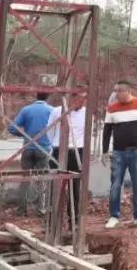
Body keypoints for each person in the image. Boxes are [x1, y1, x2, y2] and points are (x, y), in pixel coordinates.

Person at [102, 80, 137, 228]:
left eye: (119, 91)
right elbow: (107, 131)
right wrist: (104, 151)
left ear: (127, 91)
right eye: (115, 91)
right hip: (119, 153)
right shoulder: (112, 109)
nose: (116, 94)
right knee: (115, 185)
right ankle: (114, 216)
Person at [8, 92, 53, 215]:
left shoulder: (26, 110)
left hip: (28, 148)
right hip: (43, 149)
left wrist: (24, 135)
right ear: (47, 97)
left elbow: (12, 128)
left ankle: (21, 209)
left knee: (25, 179)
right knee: (41, 179)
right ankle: (41, 209)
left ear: (36, 96)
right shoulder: (51, 111)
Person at [48, 93, 87, 226]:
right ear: (72, 98)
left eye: (84, 100)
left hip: (76, 153)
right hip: (58, 150)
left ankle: (73, 220)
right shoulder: (57, 111)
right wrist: (55, 144)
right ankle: (52, 221)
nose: (82, 103)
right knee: (54, 186)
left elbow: (86, 133)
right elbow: (50, 130)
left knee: (74, 187)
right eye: (80, 100)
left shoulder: (86, 114)